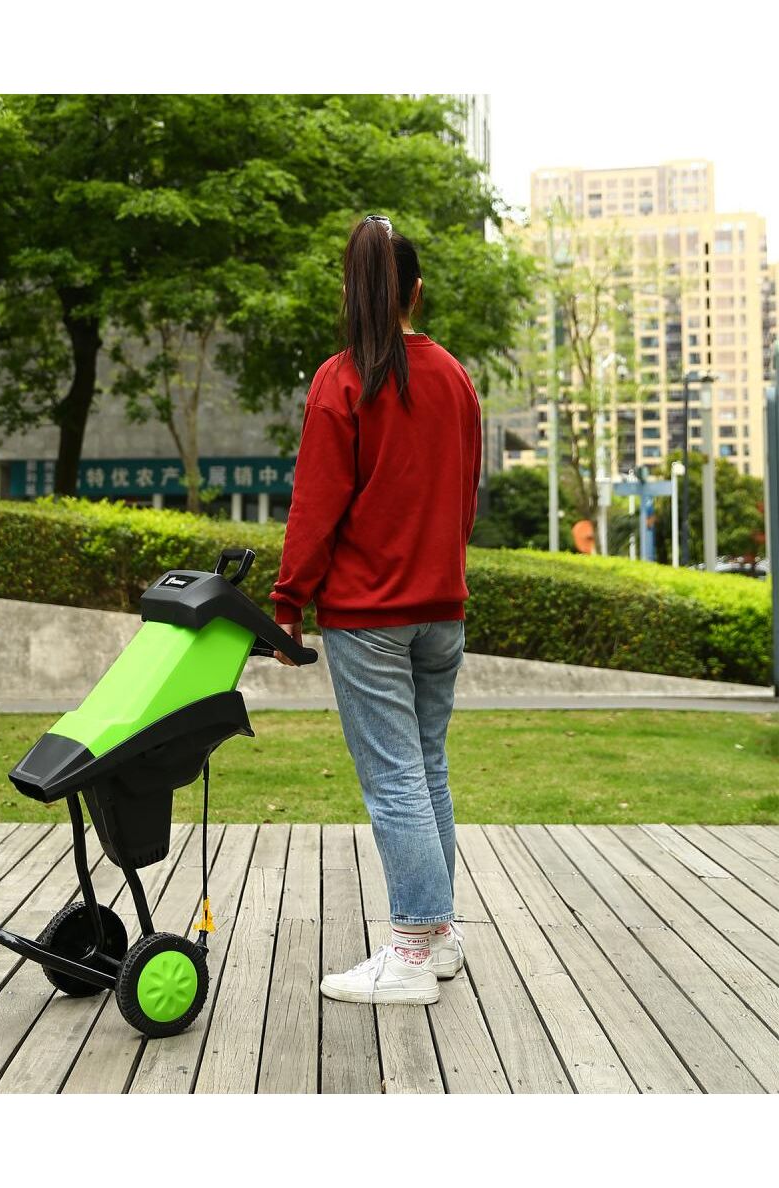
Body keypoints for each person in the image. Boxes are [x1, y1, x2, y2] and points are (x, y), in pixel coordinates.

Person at [270, 214, 482, 1007]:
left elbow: (315, 504)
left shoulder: (342, 379)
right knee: (427, 768)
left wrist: (288, 602)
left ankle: (412, 950)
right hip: (442, 610)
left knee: (396, 779)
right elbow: (463, 497)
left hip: (369, 615)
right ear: (415, 293)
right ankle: (440, 936)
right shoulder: (454, 376)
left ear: (352, 292)